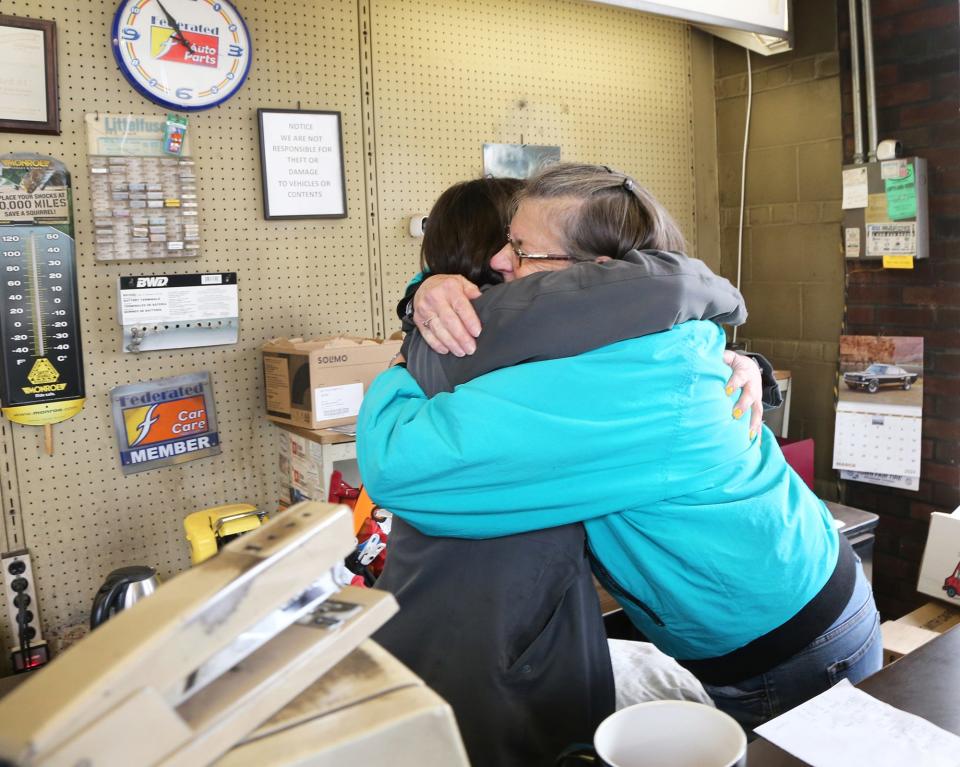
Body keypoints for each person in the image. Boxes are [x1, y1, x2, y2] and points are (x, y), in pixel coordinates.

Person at [359, 163, 882, 736]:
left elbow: (396, 461)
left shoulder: (615, 380)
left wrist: (406, 354)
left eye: (522, 251)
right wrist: (426, 292)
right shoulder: (630, 337)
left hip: (790, 648)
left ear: (598, 274)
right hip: (784, 613)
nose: (501, 264)